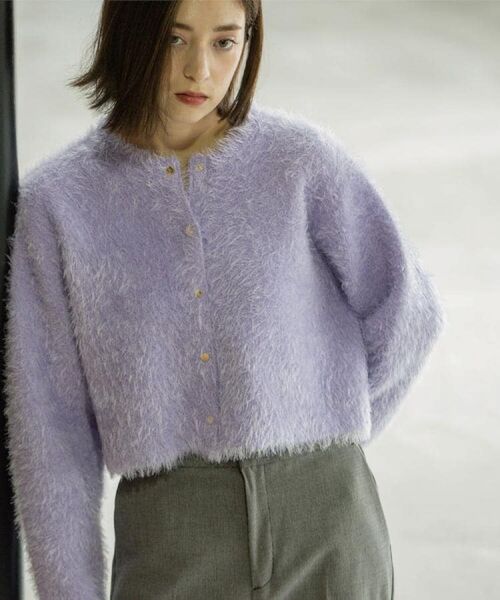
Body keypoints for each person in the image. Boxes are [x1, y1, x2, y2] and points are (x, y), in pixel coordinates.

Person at [3, 1, 446, 599]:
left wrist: (328, 435)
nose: (200, 71)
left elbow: (409, 314)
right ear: (131, 33)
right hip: (171, 533)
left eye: (224, 42)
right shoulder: (60, 204)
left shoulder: (300, 162)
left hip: (328, 522)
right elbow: (50, 428)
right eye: (174, 39)